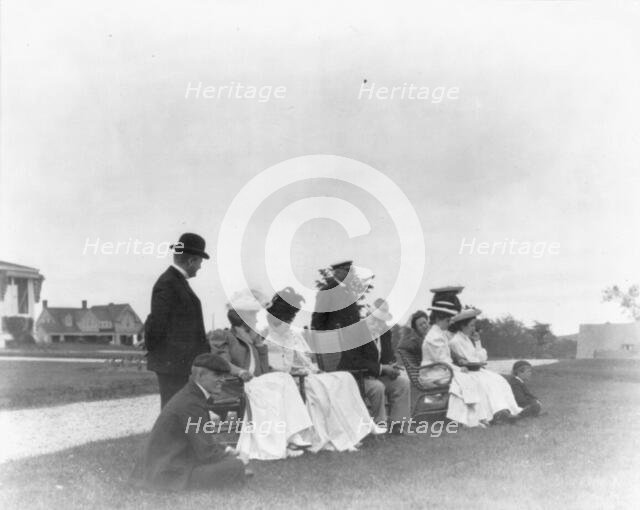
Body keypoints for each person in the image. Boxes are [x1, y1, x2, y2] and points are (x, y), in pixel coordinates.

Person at [264, 287, 380, 452]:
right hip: (294, 380)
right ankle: (340, 436)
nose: (289, 323)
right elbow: (279, 369)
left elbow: (307, 360)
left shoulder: (293, 335)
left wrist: (314, 369)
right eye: (287, 319)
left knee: (345, 378)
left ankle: (360, 427)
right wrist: (303, 372)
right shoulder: (270, 341)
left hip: (309, 375)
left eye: (290, 319)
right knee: (324, 388)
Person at [130, 354, 250, 491]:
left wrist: (227, 450)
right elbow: (207, 454)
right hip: (168, 474)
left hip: (163, 466)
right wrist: (236, 460)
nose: (222, 380)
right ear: (200, 375)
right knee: (236, 466)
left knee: (233, 463)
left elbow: (200, 441)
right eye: (217, 375)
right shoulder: (191, 403)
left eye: (224, 376)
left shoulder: (190, 395)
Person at [144, 233, 211, 408]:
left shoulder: (176, 282)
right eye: (200, 262)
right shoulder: (168, 283)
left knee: (179, 410)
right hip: (172, 365)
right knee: (172, 410)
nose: (200, 267)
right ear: (191, 261)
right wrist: (166, 356)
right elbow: (156, 325)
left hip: (178, 364)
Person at [339, 298, 411, 434]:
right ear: (368, 316)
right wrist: (382, 368)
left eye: (382, 321)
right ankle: (380, 425)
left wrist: (392, 365)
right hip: (355, 377)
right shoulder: (354, 332)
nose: (379, 324)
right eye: (376, 319)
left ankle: (398, 425)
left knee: (403, 382)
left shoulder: (384, 333)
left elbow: (388, 356)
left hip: (376, 375)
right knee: (377, 387)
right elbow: (353, 360)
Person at [420, 303, 491, 427]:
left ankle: (475, 417)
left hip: (441, 370)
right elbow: (442, 361)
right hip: (433, 373)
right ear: (438, 319)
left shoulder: (439, 333)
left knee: (466, 380)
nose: (449, 323)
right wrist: (459, 369)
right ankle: (469, 420)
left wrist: (458, 367)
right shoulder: (434, 337)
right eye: (447, 320)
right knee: (464, 381)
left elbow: (445, 360)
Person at [448, 308, 522, 423]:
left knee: (499, 380)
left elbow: (481, 358)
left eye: (474, 325)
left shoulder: (467, 339)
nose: (474, 328)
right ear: (463, 325)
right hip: (467, 372)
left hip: (477, 370)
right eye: (471, 325)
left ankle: (507, 410)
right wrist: (476, 361)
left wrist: (478, 342)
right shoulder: (455, 341)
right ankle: (496, 414)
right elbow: (468, 360)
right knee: (486, 384)